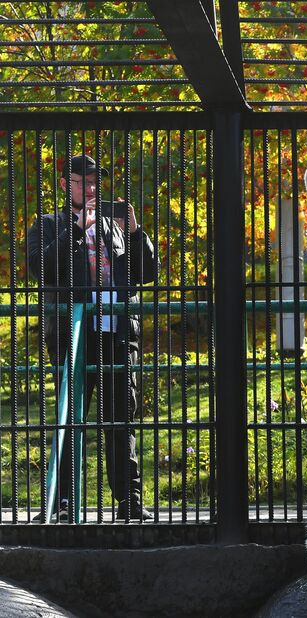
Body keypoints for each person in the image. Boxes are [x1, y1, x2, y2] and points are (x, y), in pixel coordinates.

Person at [28, 154, 158, 521]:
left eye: (94, 181)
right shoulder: (49, 225)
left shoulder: (115, 226)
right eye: (81, 180)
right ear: (64, 184)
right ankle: (65, 503)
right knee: (70, 419)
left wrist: (135, 233)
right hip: (73, 335)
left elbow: (146, 272)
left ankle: (128, 501)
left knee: (121, 419)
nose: (89, 187)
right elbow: (42, 268)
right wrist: (76, 229)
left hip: (116, 334)